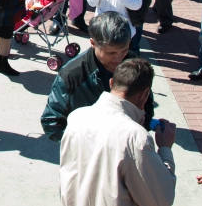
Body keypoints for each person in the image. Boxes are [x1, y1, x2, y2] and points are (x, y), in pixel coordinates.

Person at [59, 58, 176, 206]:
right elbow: (161, 200)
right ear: (144, 94)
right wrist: (165, 149)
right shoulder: (135, 137)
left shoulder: (77, 117)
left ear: (111, 83)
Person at [41, 12, 138, 142]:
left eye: (124, 50)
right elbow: (52, 122)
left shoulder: (132, 62)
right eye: (111, 53)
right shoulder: (71, 75)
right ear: (93, 43)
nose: (119, 59)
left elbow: (145, 101)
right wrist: (89, 146)